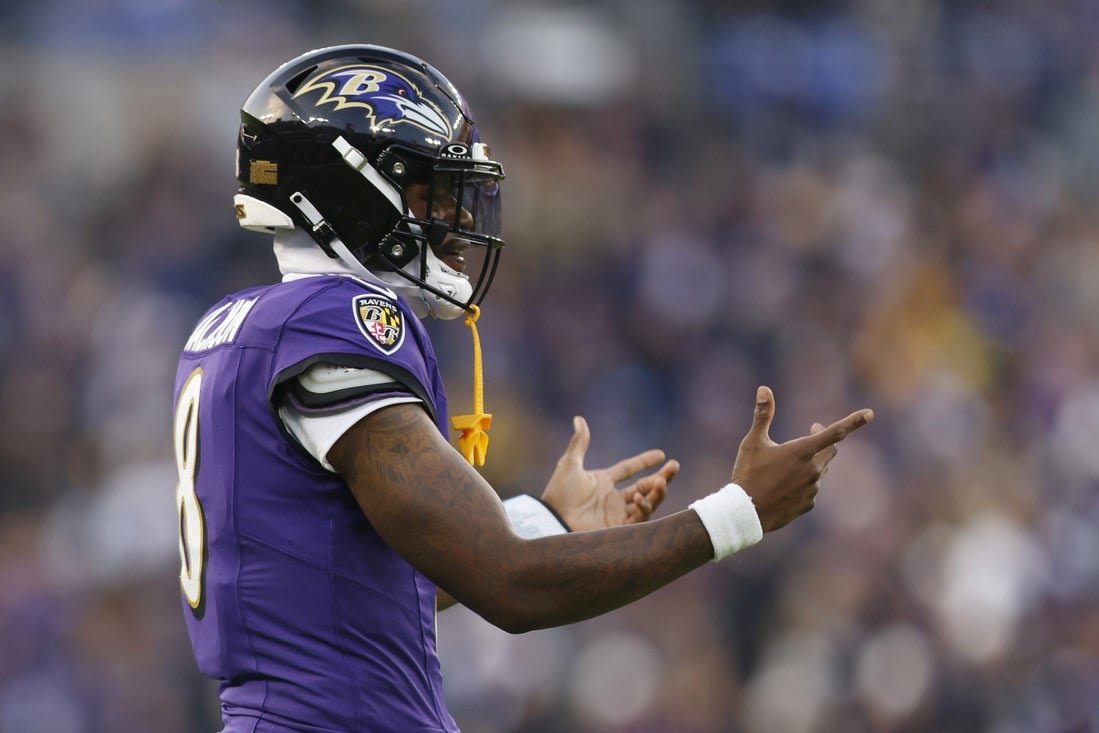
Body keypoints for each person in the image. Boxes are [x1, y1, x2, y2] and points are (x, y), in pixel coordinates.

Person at [172, 44, 874, 733]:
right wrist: (739, 512)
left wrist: (544, 522)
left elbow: (371, 585)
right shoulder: (333, 320)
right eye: (431, 190)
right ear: (348, 190)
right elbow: (510, 583)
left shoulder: (231, 330)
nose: (460, 218)